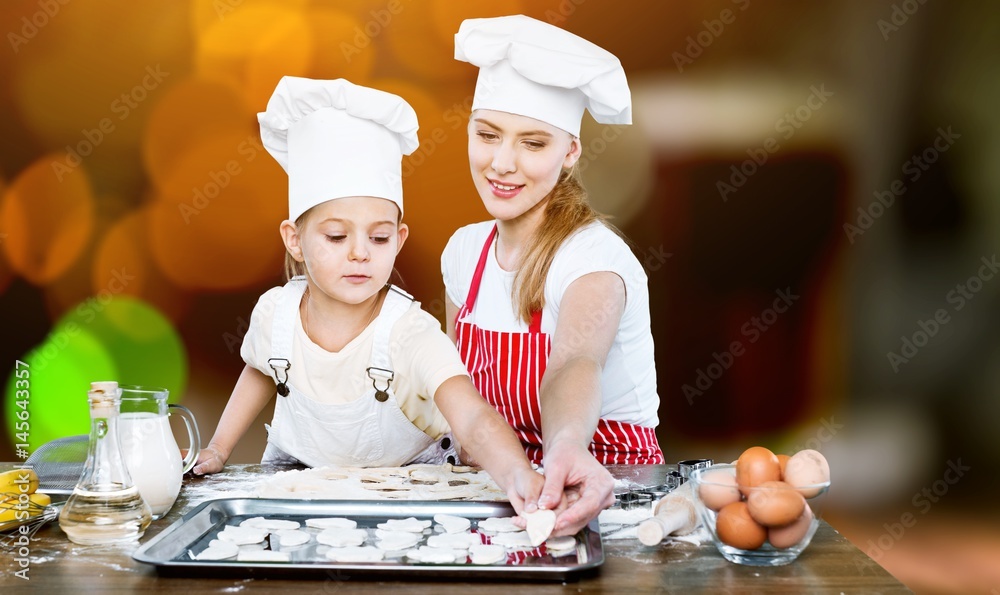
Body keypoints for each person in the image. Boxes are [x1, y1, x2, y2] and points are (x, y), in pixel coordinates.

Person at [194, 77, 543, 511]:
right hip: (302, 487)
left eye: (378, 239)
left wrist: (517, 474)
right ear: (294, 240)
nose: (360, 253)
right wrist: (219, 449)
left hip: (408, 493)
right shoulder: (276, 313)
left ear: (398, 240)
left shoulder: (409, 332)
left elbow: (471, 415)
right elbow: (260, 370)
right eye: (337, 236)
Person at [442, 15, 666, 535]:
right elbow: (458, 392)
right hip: (500, 497)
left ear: (570, 153)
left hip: (606, 497)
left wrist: (565, 448)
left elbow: (573, 363)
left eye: (533, 143)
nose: (502, 163)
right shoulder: (463, 253)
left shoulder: (594, 259)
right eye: (488, 135)